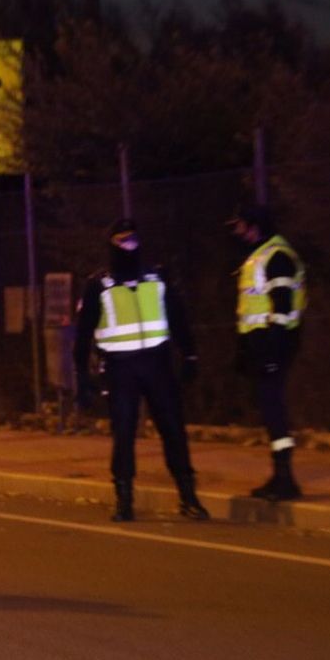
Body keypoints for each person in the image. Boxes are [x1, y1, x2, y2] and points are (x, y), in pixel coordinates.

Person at [72, 219, 208, 522]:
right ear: (111, 244)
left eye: (133, 239)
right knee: (123, 434)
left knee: (173, 430)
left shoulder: (156, 278)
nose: (129, 245)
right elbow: (83, 333)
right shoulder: (99, 285)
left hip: (158, 364)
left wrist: (189, 355)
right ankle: (124, 500)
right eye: (122, 240)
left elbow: (178, 317)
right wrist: (81, 374)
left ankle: (188, 496)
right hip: (120, 368)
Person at [230, 203, 307, 501]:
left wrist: (273, 352)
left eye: (241, 225)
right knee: (269, 407)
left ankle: (285, 479)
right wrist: (245, 348)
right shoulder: (260, 256)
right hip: (262, 343)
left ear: (254, 227)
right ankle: (281, 476)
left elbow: (282, 309)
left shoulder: (276, 256)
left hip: (274, 343)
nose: (238, 232)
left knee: (274, 407)